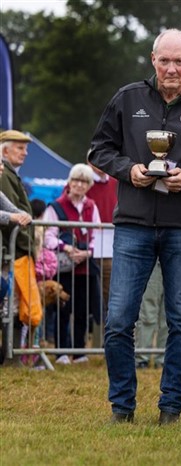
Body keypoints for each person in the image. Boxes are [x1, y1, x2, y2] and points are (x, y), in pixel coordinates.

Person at [89, 28, 181, 425]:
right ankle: (122, 406)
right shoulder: (126, 98)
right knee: (118, 321)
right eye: (164, 60)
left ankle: (171, 407)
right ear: (153, 60)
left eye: (178, 61)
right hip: (132, 225)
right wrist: (127, 170)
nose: (171, 68)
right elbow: (99, 149)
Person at [43, 163, 102, 365]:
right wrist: (66, 248)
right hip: (63, 267)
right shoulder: (55, 206)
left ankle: (79, 351)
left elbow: (97, 234)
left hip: (85, 267)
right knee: (62, 310)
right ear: (69, 182)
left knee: (83, 310)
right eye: (76, 180)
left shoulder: (91, 206)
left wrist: (86, 253)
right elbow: (47, 236)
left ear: (89, 184)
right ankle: (60, 352)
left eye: (84, 181)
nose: (79, 184)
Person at [0, 130, 42, 331]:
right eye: (20, 148)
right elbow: (11, 217)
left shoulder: (8, 176)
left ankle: (12, 356)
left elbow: (14, 209)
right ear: (5, 151)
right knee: (10, 306)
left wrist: (22, 216)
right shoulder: (5, 175)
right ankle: (11, 356)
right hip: (13, 251)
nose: (25, 153)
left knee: (11, 305)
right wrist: (25, 245)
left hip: (13, 250)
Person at [86, 157, 118, 347]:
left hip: (110, 247)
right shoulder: (84, 180)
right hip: (88, 248)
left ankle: (104, 343)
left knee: (108, 297)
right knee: (86, 295)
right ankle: (84, 345)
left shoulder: (115, 181)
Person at [134, 260, 167, 369]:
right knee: (147, 312)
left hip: (174, 259)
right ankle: (142, 358)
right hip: (153, 260)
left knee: (167, 314)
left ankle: (163, 358)